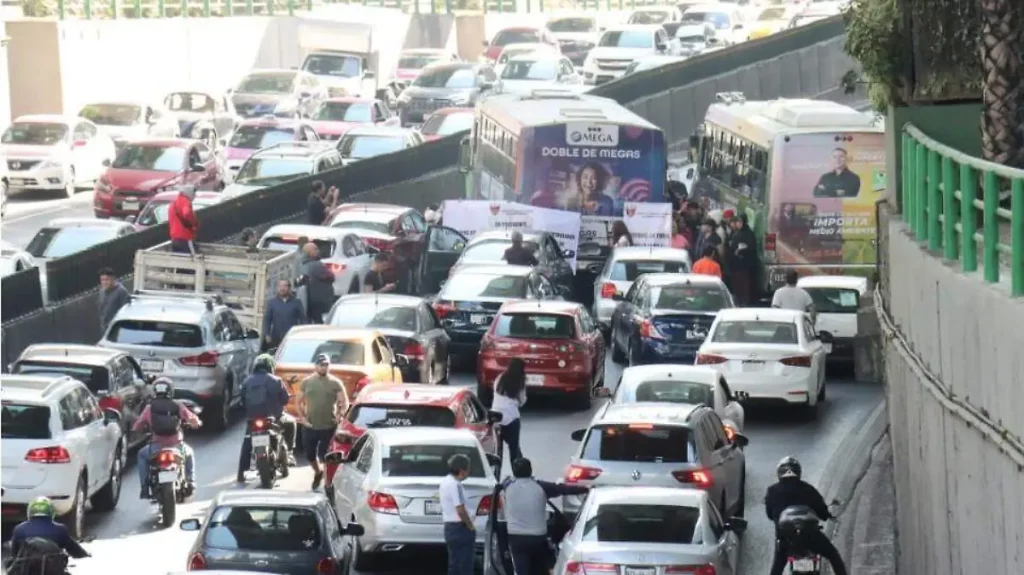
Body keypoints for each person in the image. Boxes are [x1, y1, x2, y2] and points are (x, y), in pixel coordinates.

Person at [502, 458, 589, 575]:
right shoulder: (540, 487)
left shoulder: (507, 487)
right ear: (530, 470)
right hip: (538, 537)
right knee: (543, 567)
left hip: (515, 537)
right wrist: (586, 488)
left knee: (521, 570)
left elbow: (503, 483)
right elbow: (563, 489)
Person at [765, 457, 848, 575]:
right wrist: (828, 514)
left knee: (777, 568)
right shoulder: (808, 489)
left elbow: (769, 515)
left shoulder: (772, 491)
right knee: (833, 556)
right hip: (811, 537)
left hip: (785, 539)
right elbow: (822, 512)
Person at [133, 378, 201, 498]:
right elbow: (194, 420)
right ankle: (191, 482)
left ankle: (144, 487)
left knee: (141, 455)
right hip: (177, 447)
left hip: (156, 448)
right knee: (189, 454)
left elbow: (137, 425)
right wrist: (196, 423)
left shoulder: (150, 408)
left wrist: (138, 429)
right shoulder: (177, 405)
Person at [237, 354, 297, 482]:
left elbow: (241, 402)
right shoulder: (276, 380)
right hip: (274, 419)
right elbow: (285, 400)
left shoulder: (247, 381)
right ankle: (290, 453)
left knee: (247, 442)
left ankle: (241, 472)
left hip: (253, 420)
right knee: (291, 423)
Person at [296, 354, 348, 491]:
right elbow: (298, 402)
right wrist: (303, 418)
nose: (324, 367)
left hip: (328, 426)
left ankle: (327, 484)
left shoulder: (335, 383)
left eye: (326, 365)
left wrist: (340, 414)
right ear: (316, 366)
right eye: (321, 365)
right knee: (309, 454)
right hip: (310, 425)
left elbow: (344, 402)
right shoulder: (307, 382)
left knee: (325, 455)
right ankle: (318, 472)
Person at [9, 497, 90, 564]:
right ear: (51, 512)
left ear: (29, 512)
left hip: (27, 570)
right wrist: (86, 554)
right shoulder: (60, 529)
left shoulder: (19, 529)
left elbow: (14, 555)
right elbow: (75, 551)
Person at [440, 453, 477, 575]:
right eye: (468, 468)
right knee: (465, 565)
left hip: (450, 528)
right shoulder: (456, 485)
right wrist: (470, 526)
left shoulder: (445, 481)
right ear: (462, 470)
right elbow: (460, 509)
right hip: (460, 528)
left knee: (454, 564)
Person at [492, 358, 527, 464]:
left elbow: (495, 391)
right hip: (512, 418)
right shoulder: (520, 382)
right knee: (514, 449)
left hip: (496, 418)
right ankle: (519, 472)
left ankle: (496, 474)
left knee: (497, 451)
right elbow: (522, 400)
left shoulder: (500, 378)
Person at [725, 213, 759, 305]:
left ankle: (744, 303)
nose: (737, 224)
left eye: (739, 222)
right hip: (736, 265)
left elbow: (751, 247)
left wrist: (740, 251)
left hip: (743, 266)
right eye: (737, 222)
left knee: (743, 288)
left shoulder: (747, 234)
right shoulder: (738, 233)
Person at [262, 279, 306, 350]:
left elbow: (303, 319)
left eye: (284, 286)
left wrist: (302, 334)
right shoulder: (272, 302)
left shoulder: (296, 302)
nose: (282, 288)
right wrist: (267, 334)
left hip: (292, 338)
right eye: (280, 286)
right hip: (276, 338)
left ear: (289, 288)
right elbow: (267, 319)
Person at [299, 242, 336, 323]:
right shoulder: (316, 265)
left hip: (310, 302)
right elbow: (331, 276)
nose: (318, 251)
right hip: (320, 302)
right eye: (315, 249)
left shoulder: (303, 265)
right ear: (309, 252)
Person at [168, 185, 199, 254]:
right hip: (185, 238)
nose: (194, 195)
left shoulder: (173, 204)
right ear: (189, 193)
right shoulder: (185, 201)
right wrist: (194, 222)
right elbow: (187, 213)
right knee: (192, 261)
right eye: (194, 193)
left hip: (175, 239)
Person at [97, 267, 129, 333]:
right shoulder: (102, 290)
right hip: (104, 328)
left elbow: (125, 312)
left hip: (116, 329)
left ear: (113, 279)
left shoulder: (121, 292)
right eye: (102, 280)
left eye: (107, 280)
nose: (104, 282)